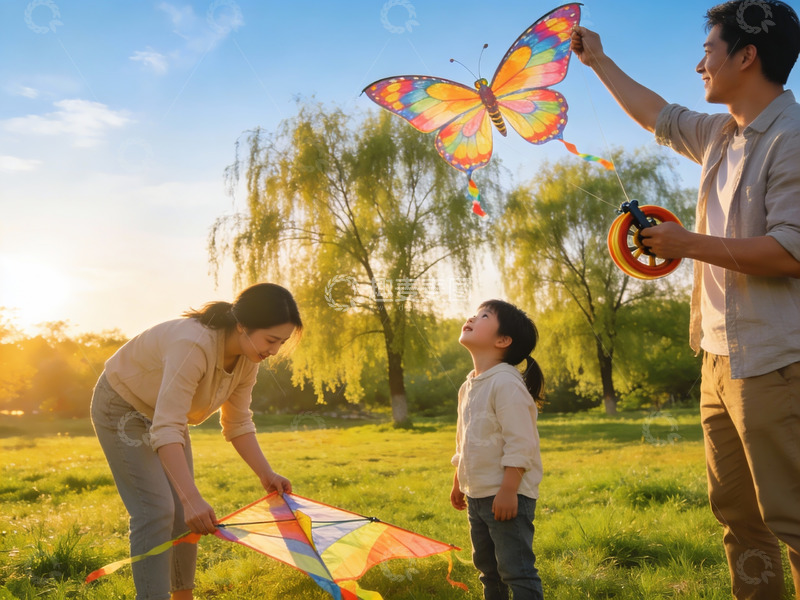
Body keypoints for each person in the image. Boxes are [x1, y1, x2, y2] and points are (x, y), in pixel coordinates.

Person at [571, 2, 800, 598]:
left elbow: (790, 252)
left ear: (746, 56)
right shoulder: (722, 135)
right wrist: (599, 61)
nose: (699, 64)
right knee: (739, 520)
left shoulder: (792, 139)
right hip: (717, 360)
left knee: (793, 521)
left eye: (709, 51)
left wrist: (685, 243)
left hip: (776, 363)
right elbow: (659, 115)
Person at [91, 282, 301, 600]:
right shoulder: (193, 345)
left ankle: (183, 597)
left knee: (183, 514)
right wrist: (190, 499)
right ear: (242, 325)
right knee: (158, 509)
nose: (273, 351)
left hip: (167, 418)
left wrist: (266, 473)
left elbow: (238, 422)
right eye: (271, 340)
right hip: (124, 406)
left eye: (281, 343)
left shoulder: (248, 359)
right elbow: (167, 428)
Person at [450, 299, 545, 600]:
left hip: (506, 496)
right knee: (488, 571)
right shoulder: (469, 385)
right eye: (475, 314)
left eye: (483, 316)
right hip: (478, 495)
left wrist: (508, 490)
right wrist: (458, 480)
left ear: (503, 340)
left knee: (516, 570)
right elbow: (464, 438)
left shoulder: (505, 383)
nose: (471, 317)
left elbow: (522, 442)